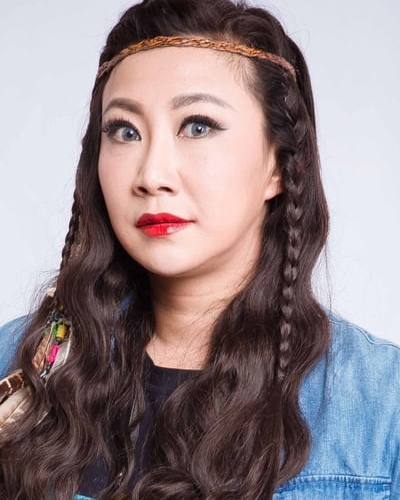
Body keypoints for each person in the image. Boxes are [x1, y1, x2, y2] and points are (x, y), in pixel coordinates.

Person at [0, 0, 399, 499]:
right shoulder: (14, 363)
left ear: (280, 165)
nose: (152, 175)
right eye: (125, 131)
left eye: (198, 126)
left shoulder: (383, 406)